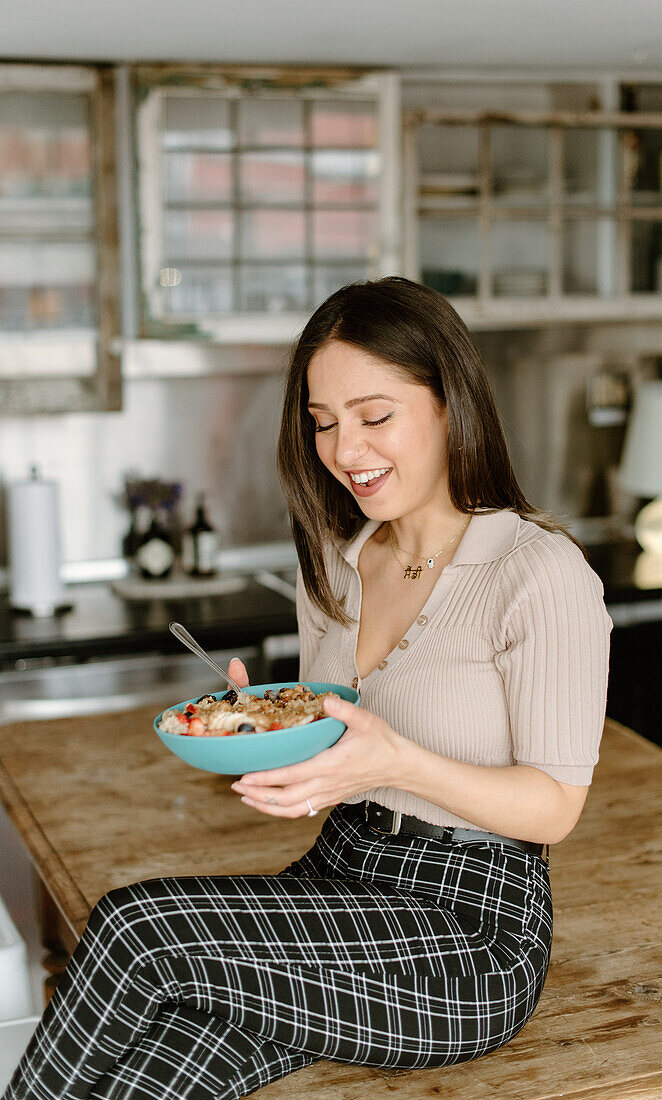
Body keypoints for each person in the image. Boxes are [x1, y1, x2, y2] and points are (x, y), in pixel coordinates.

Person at [4, 277, 612, 1100]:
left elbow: (555, 806)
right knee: (172, 1059)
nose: (344, 450)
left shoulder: (536, 572)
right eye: (323, 424)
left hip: (472, 928)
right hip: (341, 872)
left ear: (449, 401)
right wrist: (264, 723)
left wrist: (395, 764)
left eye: (374, 415)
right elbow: (338, 742)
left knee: (136, 929)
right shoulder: (336, 559)